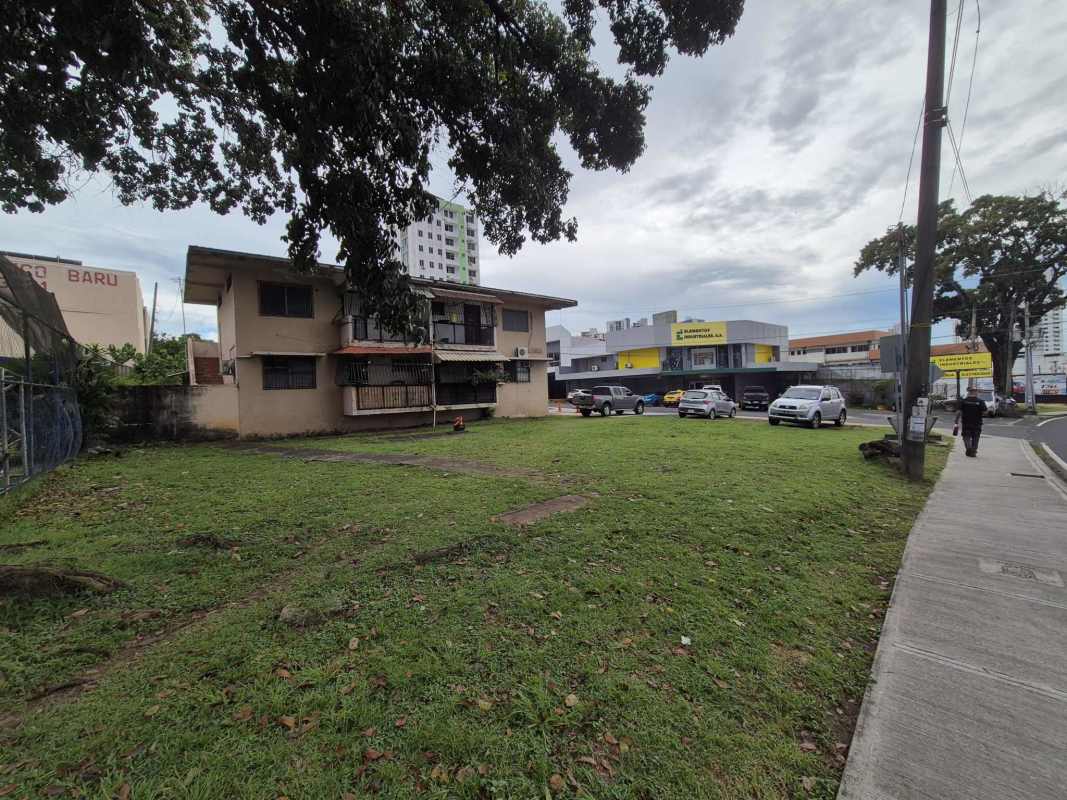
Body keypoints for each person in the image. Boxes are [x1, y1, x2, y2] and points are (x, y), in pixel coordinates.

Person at [954, 386, 988, 457]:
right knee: (976, 437)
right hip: (977, 423)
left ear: (969, 392)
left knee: (966, 436)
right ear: (976, 392)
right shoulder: (980, 401)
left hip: (966, 422)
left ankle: (969, 448)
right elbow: (985, 412)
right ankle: (973, 451)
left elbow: (958, 412)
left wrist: (956, 422)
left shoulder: (963, 401)